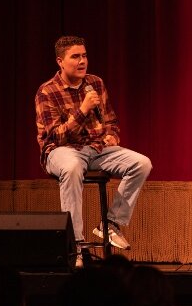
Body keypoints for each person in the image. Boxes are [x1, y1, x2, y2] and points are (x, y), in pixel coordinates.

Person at [36, 35, 152, 266]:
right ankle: (75, 246)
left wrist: (112, 136)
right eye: (75, 56)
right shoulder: (47, 91)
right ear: (60, 61)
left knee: (141, 163)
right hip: (61, 151)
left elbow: (111, 120)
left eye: (84, 56)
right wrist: (82, 110)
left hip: (95, 149)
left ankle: (109, 224)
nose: (82, 61)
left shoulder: (95, 83)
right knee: (72, 166)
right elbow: (54, 136)